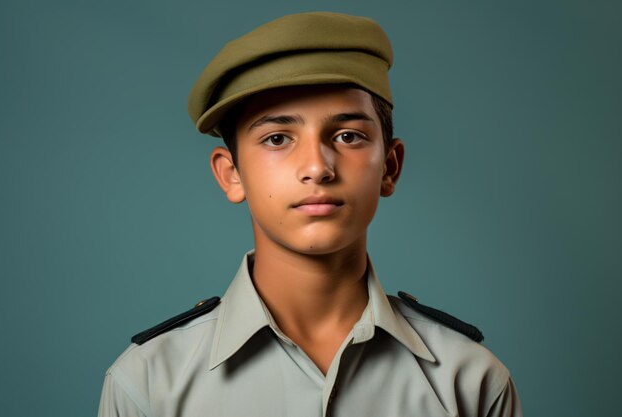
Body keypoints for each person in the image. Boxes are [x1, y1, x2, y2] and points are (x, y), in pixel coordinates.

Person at [98, 12, 522, 417]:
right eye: (278, 138)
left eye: (348, 135)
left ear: (390, 168)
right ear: (231, 174)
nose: (318, 167)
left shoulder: (469, 381)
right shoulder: (149, 384)